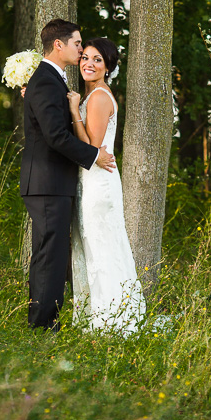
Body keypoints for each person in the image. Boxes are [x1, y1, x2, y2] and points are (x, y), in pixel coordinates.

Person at [20, 19, 116, 332]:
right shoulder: (47, 80)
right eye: (77, 44)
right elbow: (55, 136)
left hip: (52, 182)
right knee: (51, 254)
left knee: (49, 252)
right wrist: (93, 155)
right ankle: (44, 325)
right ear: (58, 45)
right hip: (48, 182)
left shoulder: (51, 80)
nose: (81, 50)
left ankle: (41, 319)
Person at [67, 37, 146, 333]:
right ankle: (99, 317)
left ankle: (113, 321)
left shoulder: (99, 97)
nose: (89, 63)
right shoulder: (93, 94)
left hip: (98, 184)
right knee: (94, 248)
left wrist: (74, 109)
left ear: (108, 67)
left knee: (102, 249)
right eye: (85, 57)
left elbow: (92, 147)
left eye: (97, 59)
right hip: (91, 180)